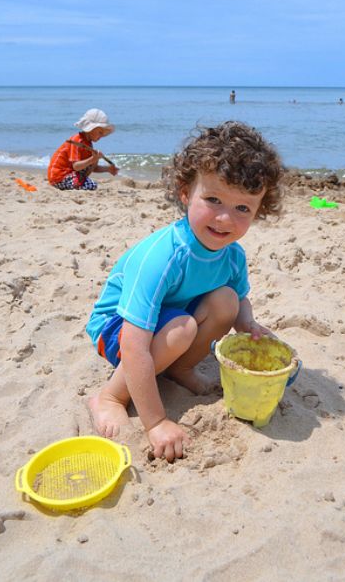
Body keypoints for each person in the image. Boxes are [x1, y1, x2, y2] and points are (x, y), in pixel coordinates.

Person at [86, 121, 284, 462]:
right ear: (184, 193)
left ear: (258, 210)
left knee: (227, 300)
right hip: (117, 328)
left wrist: (248, 324)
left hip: (168, 318)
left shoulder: (232, 255)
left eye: (242, 208)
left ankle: (178, 368)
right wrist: (156, 422)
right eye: (213, 199)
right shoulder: (162, 256)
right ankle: (110, 398)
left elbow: (239, 300)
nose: (224, 219)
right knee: (181, 330)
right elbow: (134, 346)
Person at [47, 108, 118, 191]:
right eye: (100, 132)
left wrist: (108, 169)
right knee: (91, 185)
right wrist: (92, 159)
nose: (101, 136)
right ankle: (80, 182)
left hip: (70, 174)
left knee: (92, 176)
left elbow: (91, 167)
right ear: (91, 129)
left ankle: (80, 182)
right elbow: (76, 166)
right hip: (59, 176)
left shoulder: (88, 143)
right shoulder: (77, 141)